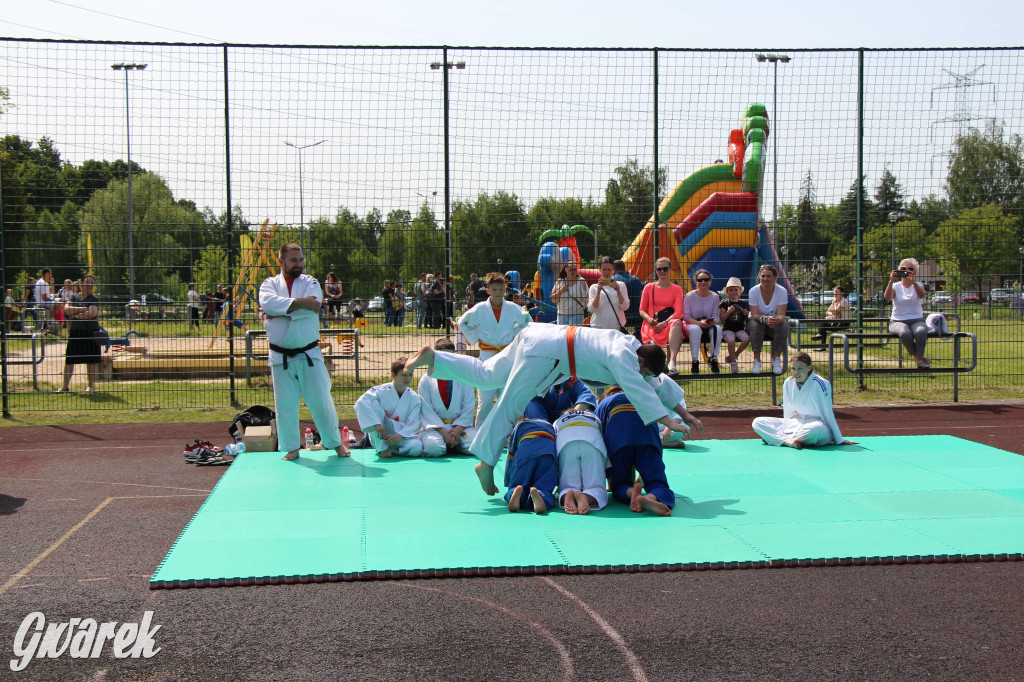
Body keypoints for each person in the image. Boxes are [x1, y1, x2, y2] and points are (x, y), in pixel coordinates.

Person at [404, 324, 691, 495]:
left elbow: (655, 383)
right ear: (642, 359)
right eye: (642, 370)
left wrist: (685, 414)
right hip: (548, 353)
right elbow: (637, 386)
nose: (640, 374)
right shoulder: (624, 355)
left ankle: (436, 359)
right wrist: (668, 420)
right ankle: (486, 463)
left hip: (537, 336)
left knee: (487, 373)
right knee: (510, 404)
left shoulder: (629, 348)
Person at [258, 243, 346, 461]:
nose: (299, 264)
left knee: (321, 401)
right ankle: (290, 448)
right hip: (281, 356)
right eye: (294, 260)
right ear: (281, 261)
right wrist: (299, 305)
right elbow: (267, 304)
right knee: (285, 404)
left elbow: (312, 308)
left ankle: (335, 444)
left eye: (301, 259)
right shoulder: (269, 284)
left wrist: (280, 313)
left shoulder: (311, 282)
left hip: (309, 354)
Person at [596, 383, 703, 516]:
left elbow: (598, 436)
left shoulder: (604, 403)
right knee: (658, 484)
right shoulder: (643, 396)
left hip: (620, 441)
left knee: (619, 485)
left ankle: (630, 493)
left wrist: (607, 474)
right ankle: (650, 497)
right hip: (648, 439)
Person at [457, 272, 532, 425]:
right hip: (487, 355)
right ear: (488, 290)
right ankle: (479, 435)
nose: (498, 293)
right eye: (494, 289)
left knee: (507, 398)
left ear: (505, 289)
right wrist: (476, 336)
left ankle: (508, 434)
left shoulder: (512, 308)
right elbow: (462, 322)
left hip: (506, 354)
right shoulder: (479, 309)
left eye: (500, 289)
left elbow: (527, 321)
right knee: (485, 400)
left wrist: (514, 334)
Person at [751, 352, 858, 448]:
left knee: (816, 430)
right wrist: (785, 427)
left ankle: (775, 439)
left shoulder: (820, 383)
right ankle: (787, 441)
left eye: (800, 368)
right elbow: (788, 411)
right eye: (793, 369)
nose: (796, 372)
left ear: (809, 368)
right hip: (795, 424)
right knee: (758, 422)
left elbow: (827, 413)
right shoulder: (788, 382)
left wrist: (839, 439)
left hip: (816, 425)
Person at [354, 357, 446, 458]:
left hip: (401, 436)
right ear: (394, 375)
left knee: (417, 448)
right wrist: (377, 425)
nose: (408, 379)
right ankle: (383, 448)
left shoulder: (414, 398)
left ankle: (392, 449)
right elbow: (361, 402)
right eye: (404, 375)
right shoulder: (380, 391)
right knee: (373, 404)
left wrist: (399, 436)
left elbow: (415, 423)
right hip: (381, 435)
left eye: (410, 375)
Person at [417, 338, 477, 455]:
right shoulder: (426, 379)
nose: (447, 360)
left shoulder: (462, 377)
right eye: (443, 357)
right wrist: (444, 432)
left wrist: (457, 430)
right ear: (436, 357)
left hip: (459, 427)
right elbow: (426, 409)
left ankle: (453, 442)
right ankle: (449, 444)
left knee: (476, 445)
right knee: (433, 448)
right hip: (436, 428)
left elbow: (469, 406)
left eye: (451, 357)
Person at [553, 408, 609, 514]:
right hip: (592, 440)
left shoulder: (559, 420)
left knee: (567, 484)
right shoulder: (594, 417)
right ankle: (585, 496)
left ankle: (567, 494)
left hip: (566, 441)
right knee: (595, 485)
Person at [639, 256, 685, 374]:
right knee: (652, 345)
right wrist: (649, 319)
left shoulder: (677, 289)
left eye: (665, 269)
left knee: (677, 323)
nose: (662, 272)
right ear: (656, 271)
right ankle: (656, 370)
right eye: (659, 269)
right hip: (651, 324)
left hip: (668, 322)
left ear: (670, 270)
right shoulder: (648, 287)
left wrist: (664, 323)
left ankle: (672, 363)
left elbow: (678, 312)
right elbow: (642, 310)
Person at [504, 416, 558, 514]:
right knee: (545, 486)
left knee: (518, 484)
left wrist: (508, 480)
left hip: (525, 451)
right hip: (548, 452)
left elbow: (511, 454)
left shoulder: (520, 425)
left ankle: (514, 494)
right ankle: (541, 497)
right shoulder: (550, 426)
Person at [57, 274, 101, 393]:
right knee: (70, 359)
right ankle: (65, 386)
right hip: (75, 332)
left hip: (90, 332)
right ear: (81, 283)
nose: (90, 285)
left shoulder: (94, 299)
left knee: (90, 360)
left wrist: (75, 314)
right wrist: (82, 309)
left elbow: (91, 313)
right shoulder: (74, 297)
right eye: (88, 282)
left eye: (92, 283)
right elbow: (66, 309)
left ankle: (90, 386)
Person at [885, 258, 930, 368]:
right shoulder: (896, 286)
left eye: (910, 269)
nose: (906, 271)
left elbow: (921, 295)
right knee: (905, 333)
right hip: (897, 320)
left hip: (916, 319)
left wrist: (912, 282)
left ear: (914, 272)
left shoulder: (918, 285)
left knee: (921, 331)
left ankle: (919, 359)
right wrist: (891, 281)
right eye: (903, 269)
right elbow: (887, 298)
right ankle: (919, 359)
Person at [746, 264, 789, 375]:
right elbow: (755, 314)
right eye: (763, 276)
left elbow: (781, 315)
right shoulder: (753, 291)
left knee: (783, 325)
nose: (765, 279)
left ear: (775, 277)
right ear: (760, 277)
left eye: (769, 276)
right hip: (757, 321)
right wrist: (764, 319)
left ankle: (776, 359)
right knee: (756, 325)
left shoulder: (782, 291)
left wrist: (776, 320)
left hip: (773, 323)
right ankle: (757, 360)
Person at [683, 268, 723, 374]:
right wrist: (699, 323)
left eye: (706, 280)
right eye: (700, 280)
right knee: (696, 329)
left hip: (708, 324)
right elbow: (686, 317)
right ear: (696, 282)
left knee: (718, 329)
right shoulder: (689, 296)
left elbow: (715, 315)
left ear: (710, 282)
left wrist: (711, 322)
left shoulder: (714, 297)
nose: (703, 282)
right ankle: (695, 361)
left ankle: (713, 358)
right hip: (692, 324)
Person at [523, 377, 596, 423]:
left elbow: (586, 394)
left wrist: (575, 411)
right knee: (530, 404)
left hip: (564, 423)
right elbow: (523, 398)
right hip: (539, 420)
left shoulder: (571, 379)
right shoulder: (537, 377)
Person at [587, 256, 629, 332]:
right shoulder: (594, 287)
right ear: (599, 269)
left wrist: (618, 292)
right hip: (598, 328)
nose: (606, 272)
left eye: (609, 270)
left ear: (613, 270)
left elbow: (625, 307)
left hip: (616, 328)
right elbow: (592, 309)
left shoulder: (621, 285)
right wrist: (598, 292)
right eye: (604, 270)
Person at [719, 276, 750, 374]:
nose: (733, 292)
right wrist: (729, 312)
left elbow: (745, 318)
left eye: (736, 290)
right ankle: (733, 363)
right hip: (728, 329)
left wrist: (746, 314)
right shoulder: (724, 303)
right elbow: (722, 318)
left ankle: (735, 354)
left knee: (746, 339)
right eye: (731, 290)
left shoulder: (742, 304)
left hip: (740, 329)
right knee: (731, 340)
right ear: (727, 292)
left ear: (740, 291)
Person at [549, 258, 588, 326]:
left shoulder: (581, 281)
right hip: (562, 314)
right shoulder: (560, 282)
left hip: (577, 313)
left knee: (573, 335)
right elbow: (553, 299)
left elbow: (587, 297)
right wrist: (561, 291)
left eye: (575, 269)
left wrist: (588, 308)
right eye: (571, 270)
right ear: (566, 270)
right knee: (562, 336)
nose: (573, 272)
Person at [613, 259, 644, 337]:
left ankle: (626, 337)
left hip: (619, 316)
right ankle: (637, 337)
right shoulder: (636, 279)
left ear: (613, 269)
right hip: (637, 316)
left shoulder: (612, 280)